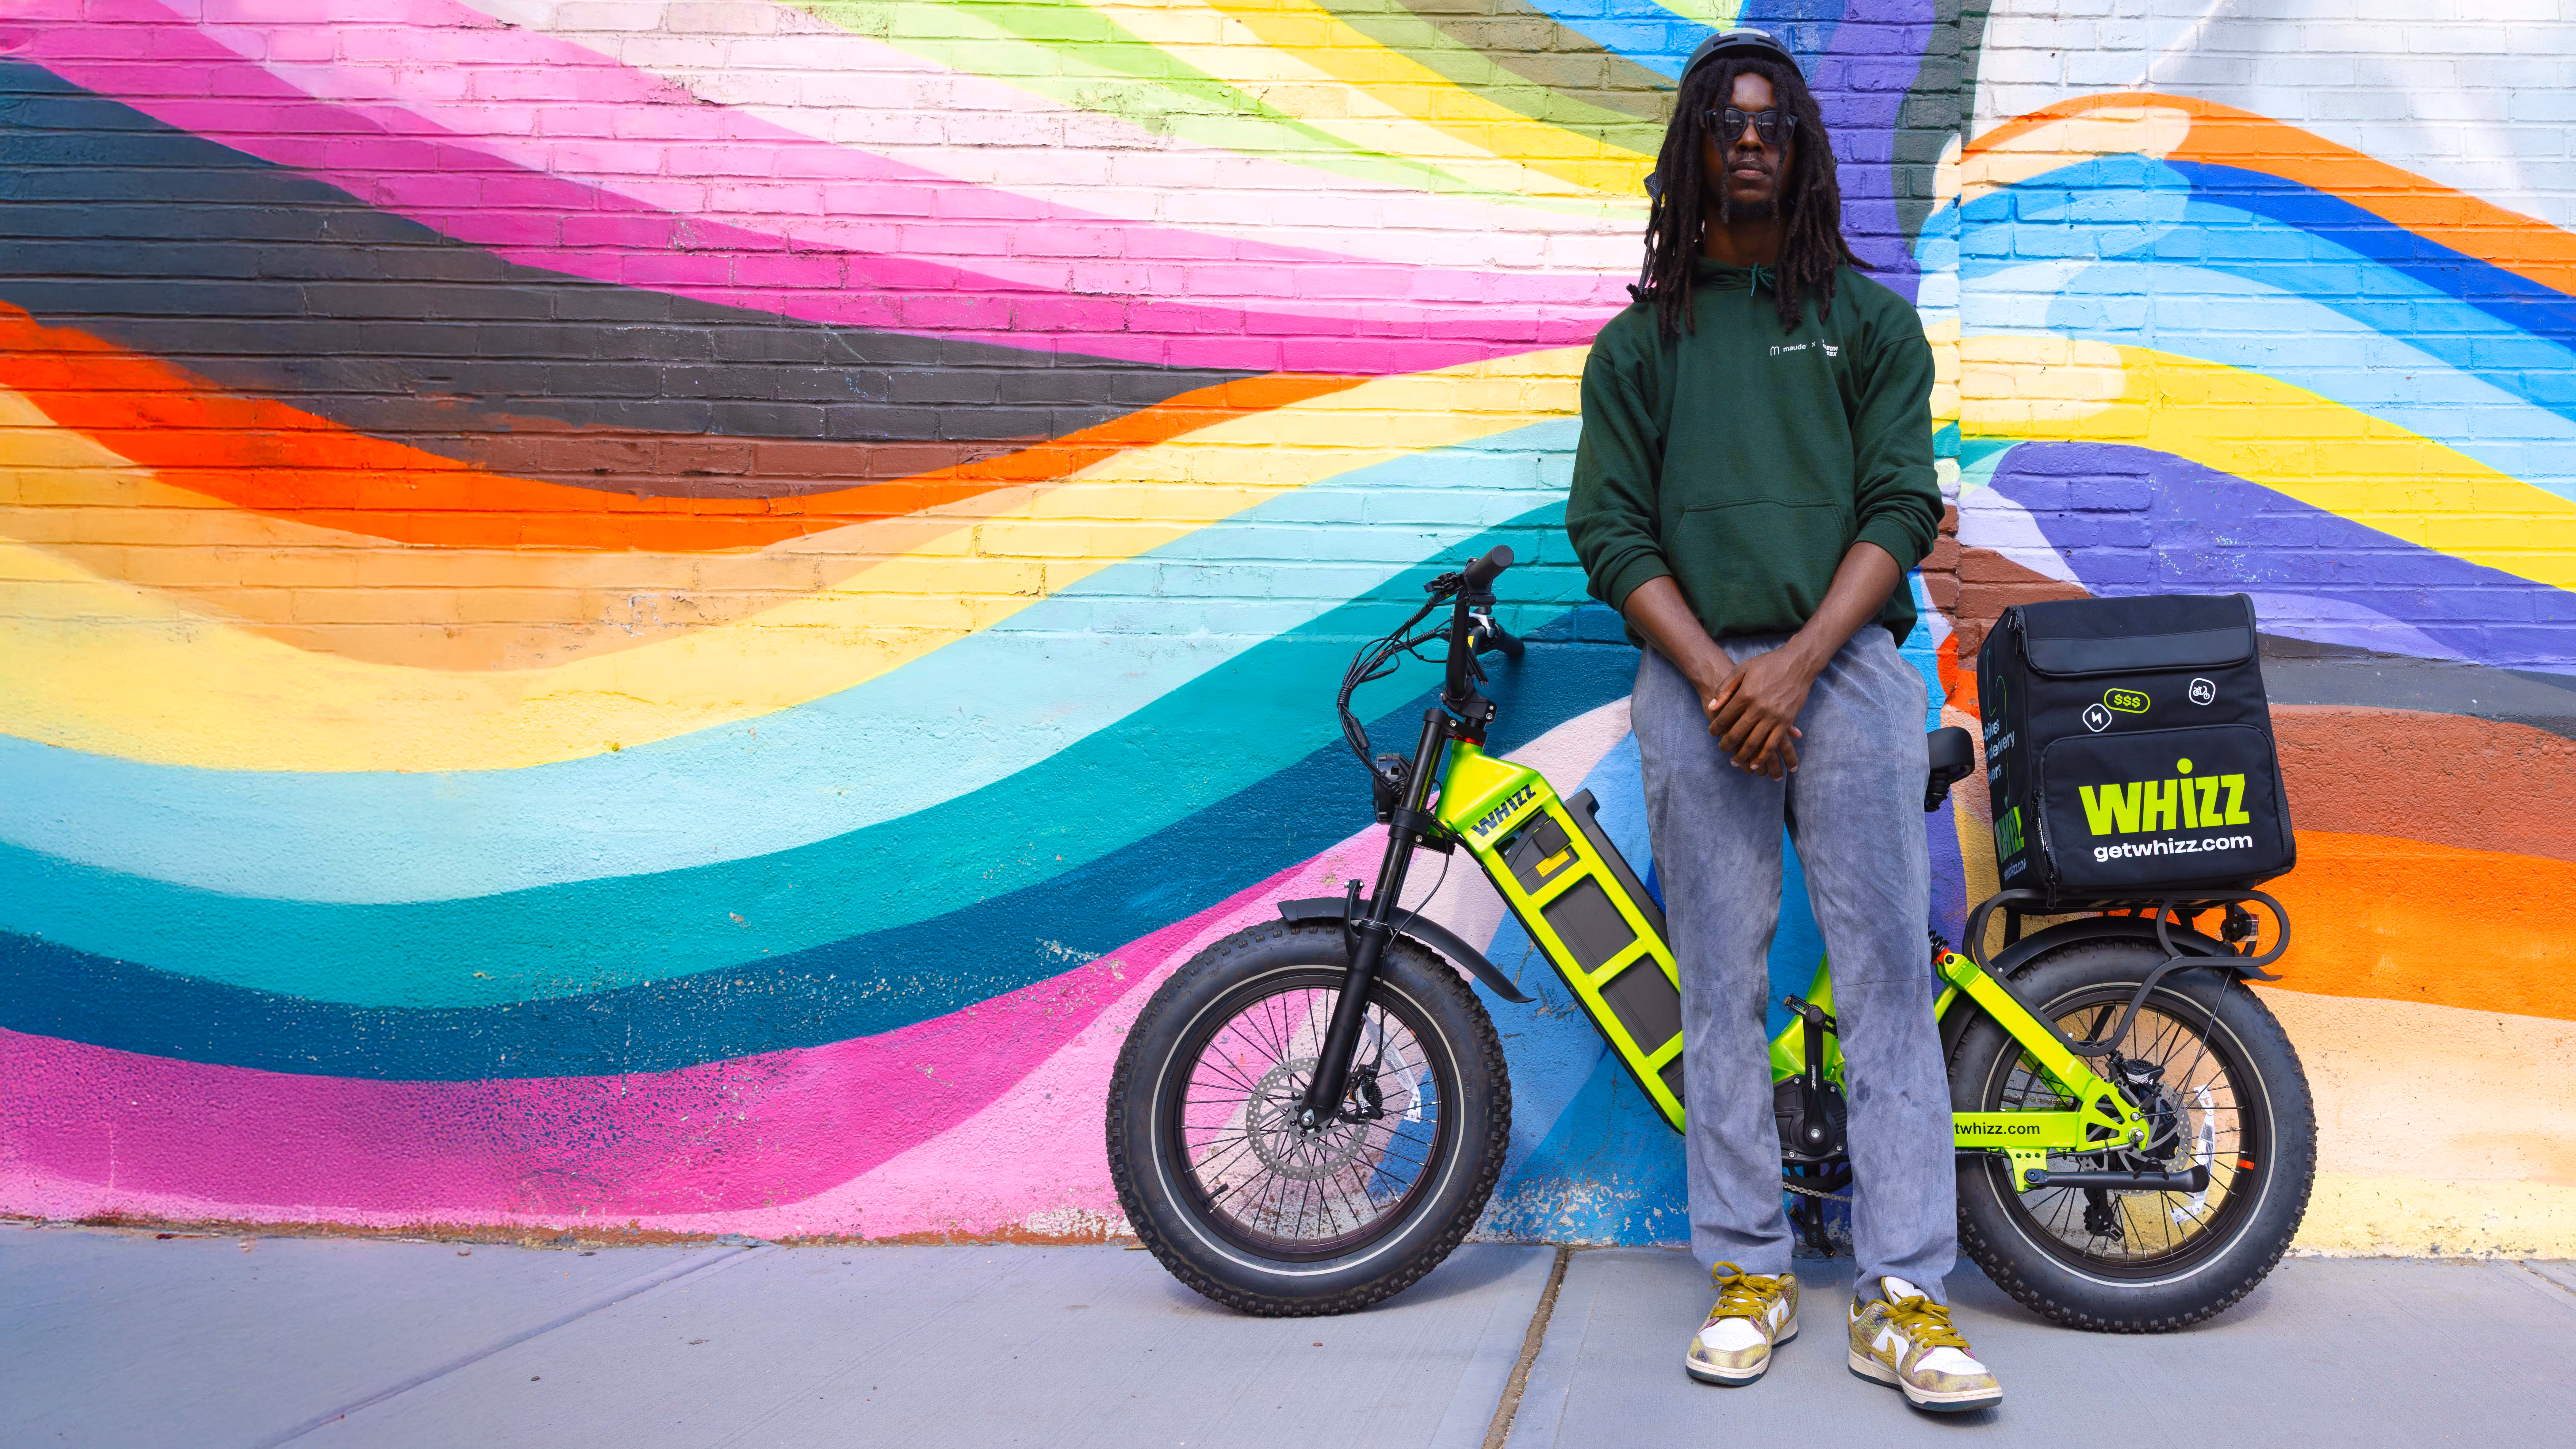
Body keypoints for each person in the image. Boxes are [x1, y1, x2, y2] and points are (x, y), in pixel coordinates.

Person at [1563, 29, 2001, 1413]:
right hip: (1696, 682)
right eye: (1726, 123)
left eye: (1773, 123)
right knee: (1720, 986)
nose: (1750, 140)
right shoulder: (1642, 348)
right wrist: (1719, 677)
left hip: (1848, 674)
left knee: (1885, 982)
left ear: (1803, 149)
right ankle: (1749, 1269)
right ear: (1692, 152)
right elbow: (1609, 530)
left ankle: (1904, 1291)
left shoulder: (1867, 326)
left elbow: (1901, 506)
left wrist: (1798, 665)